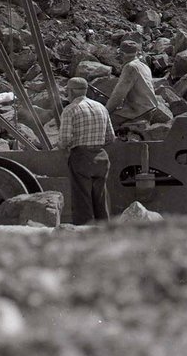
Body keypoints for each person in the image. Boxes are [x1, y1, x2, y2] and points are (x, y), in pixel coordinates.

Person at [57, 76, 115, 225]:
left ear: (71, 91)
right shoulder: (101, 108)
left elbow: (64, 140)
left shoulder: (70, 110)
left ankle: (85, 233)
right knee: (101, 197)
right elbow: (110, 137)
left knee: (82, 199)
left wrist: (64, 148)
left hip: (81, 157)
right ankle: (105, 232)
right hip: (101, 156)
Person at [104, 45, 173, 132]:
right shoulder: (144, 66)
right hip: (149, 107)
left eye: (119, 55)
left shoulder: (130, 67)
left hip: (139, 110)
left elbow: (118, 95)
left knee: (105, 121)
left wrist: (105, 111)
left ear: (121, 54)